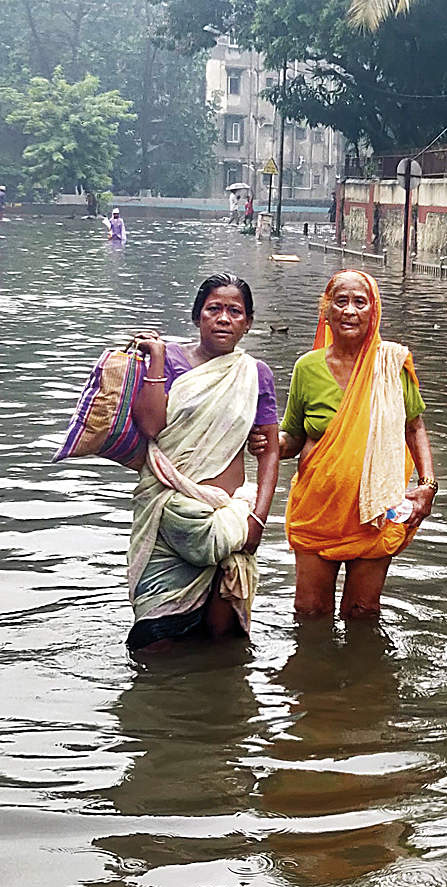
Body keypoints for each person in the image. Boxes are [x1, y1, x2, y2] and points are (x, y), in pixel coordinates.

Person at [251, 269, 437, 619]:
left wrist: (427, 486)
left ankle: (363, 674)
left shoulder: (391, 365)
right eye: (341, 302)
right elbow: (292, 436)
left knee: (363, 612)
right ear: (326, 311)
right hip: (318, 510)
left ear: (374, 311)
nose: (350, 311)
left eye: (359, 302)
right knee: (309, 613)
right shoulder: (308, 368)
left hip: (377, 513)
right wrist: (267, 440)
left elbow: (414, 428)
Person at [127, 273, 281, 652]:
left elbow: (271, 449)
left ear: (247, 323)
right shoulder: (170, 360)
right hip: (168, 515)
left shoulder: (254, 374)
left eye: (235, 311)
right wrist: (159, 359)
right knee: (154, 644)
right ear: (198, 317)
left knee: (223, 643)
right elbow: (149, 425)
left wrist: (258, 518)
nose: (224, 318)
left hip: (230, 520)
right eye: (214, 309)